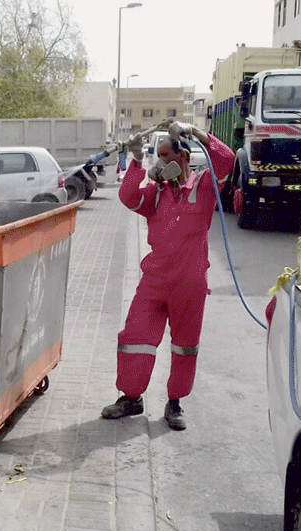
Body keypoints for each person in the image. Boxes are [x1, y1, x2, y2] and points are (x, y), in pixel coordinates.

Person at [101, 120, 235, 430]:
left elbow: (226, 159)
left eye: (168, 155)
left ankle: (175, 403)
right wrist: (135, 160)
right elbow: (127, 197)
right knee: (135, 338)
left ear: (185, 157)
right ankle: (131, 398)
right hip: (155, 282)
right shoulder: (155, 193)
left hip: (189, 284)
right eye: (158, 156)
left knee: (184, 345)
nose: (162, 162)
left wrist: (196, 131)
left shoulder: (204, 187)